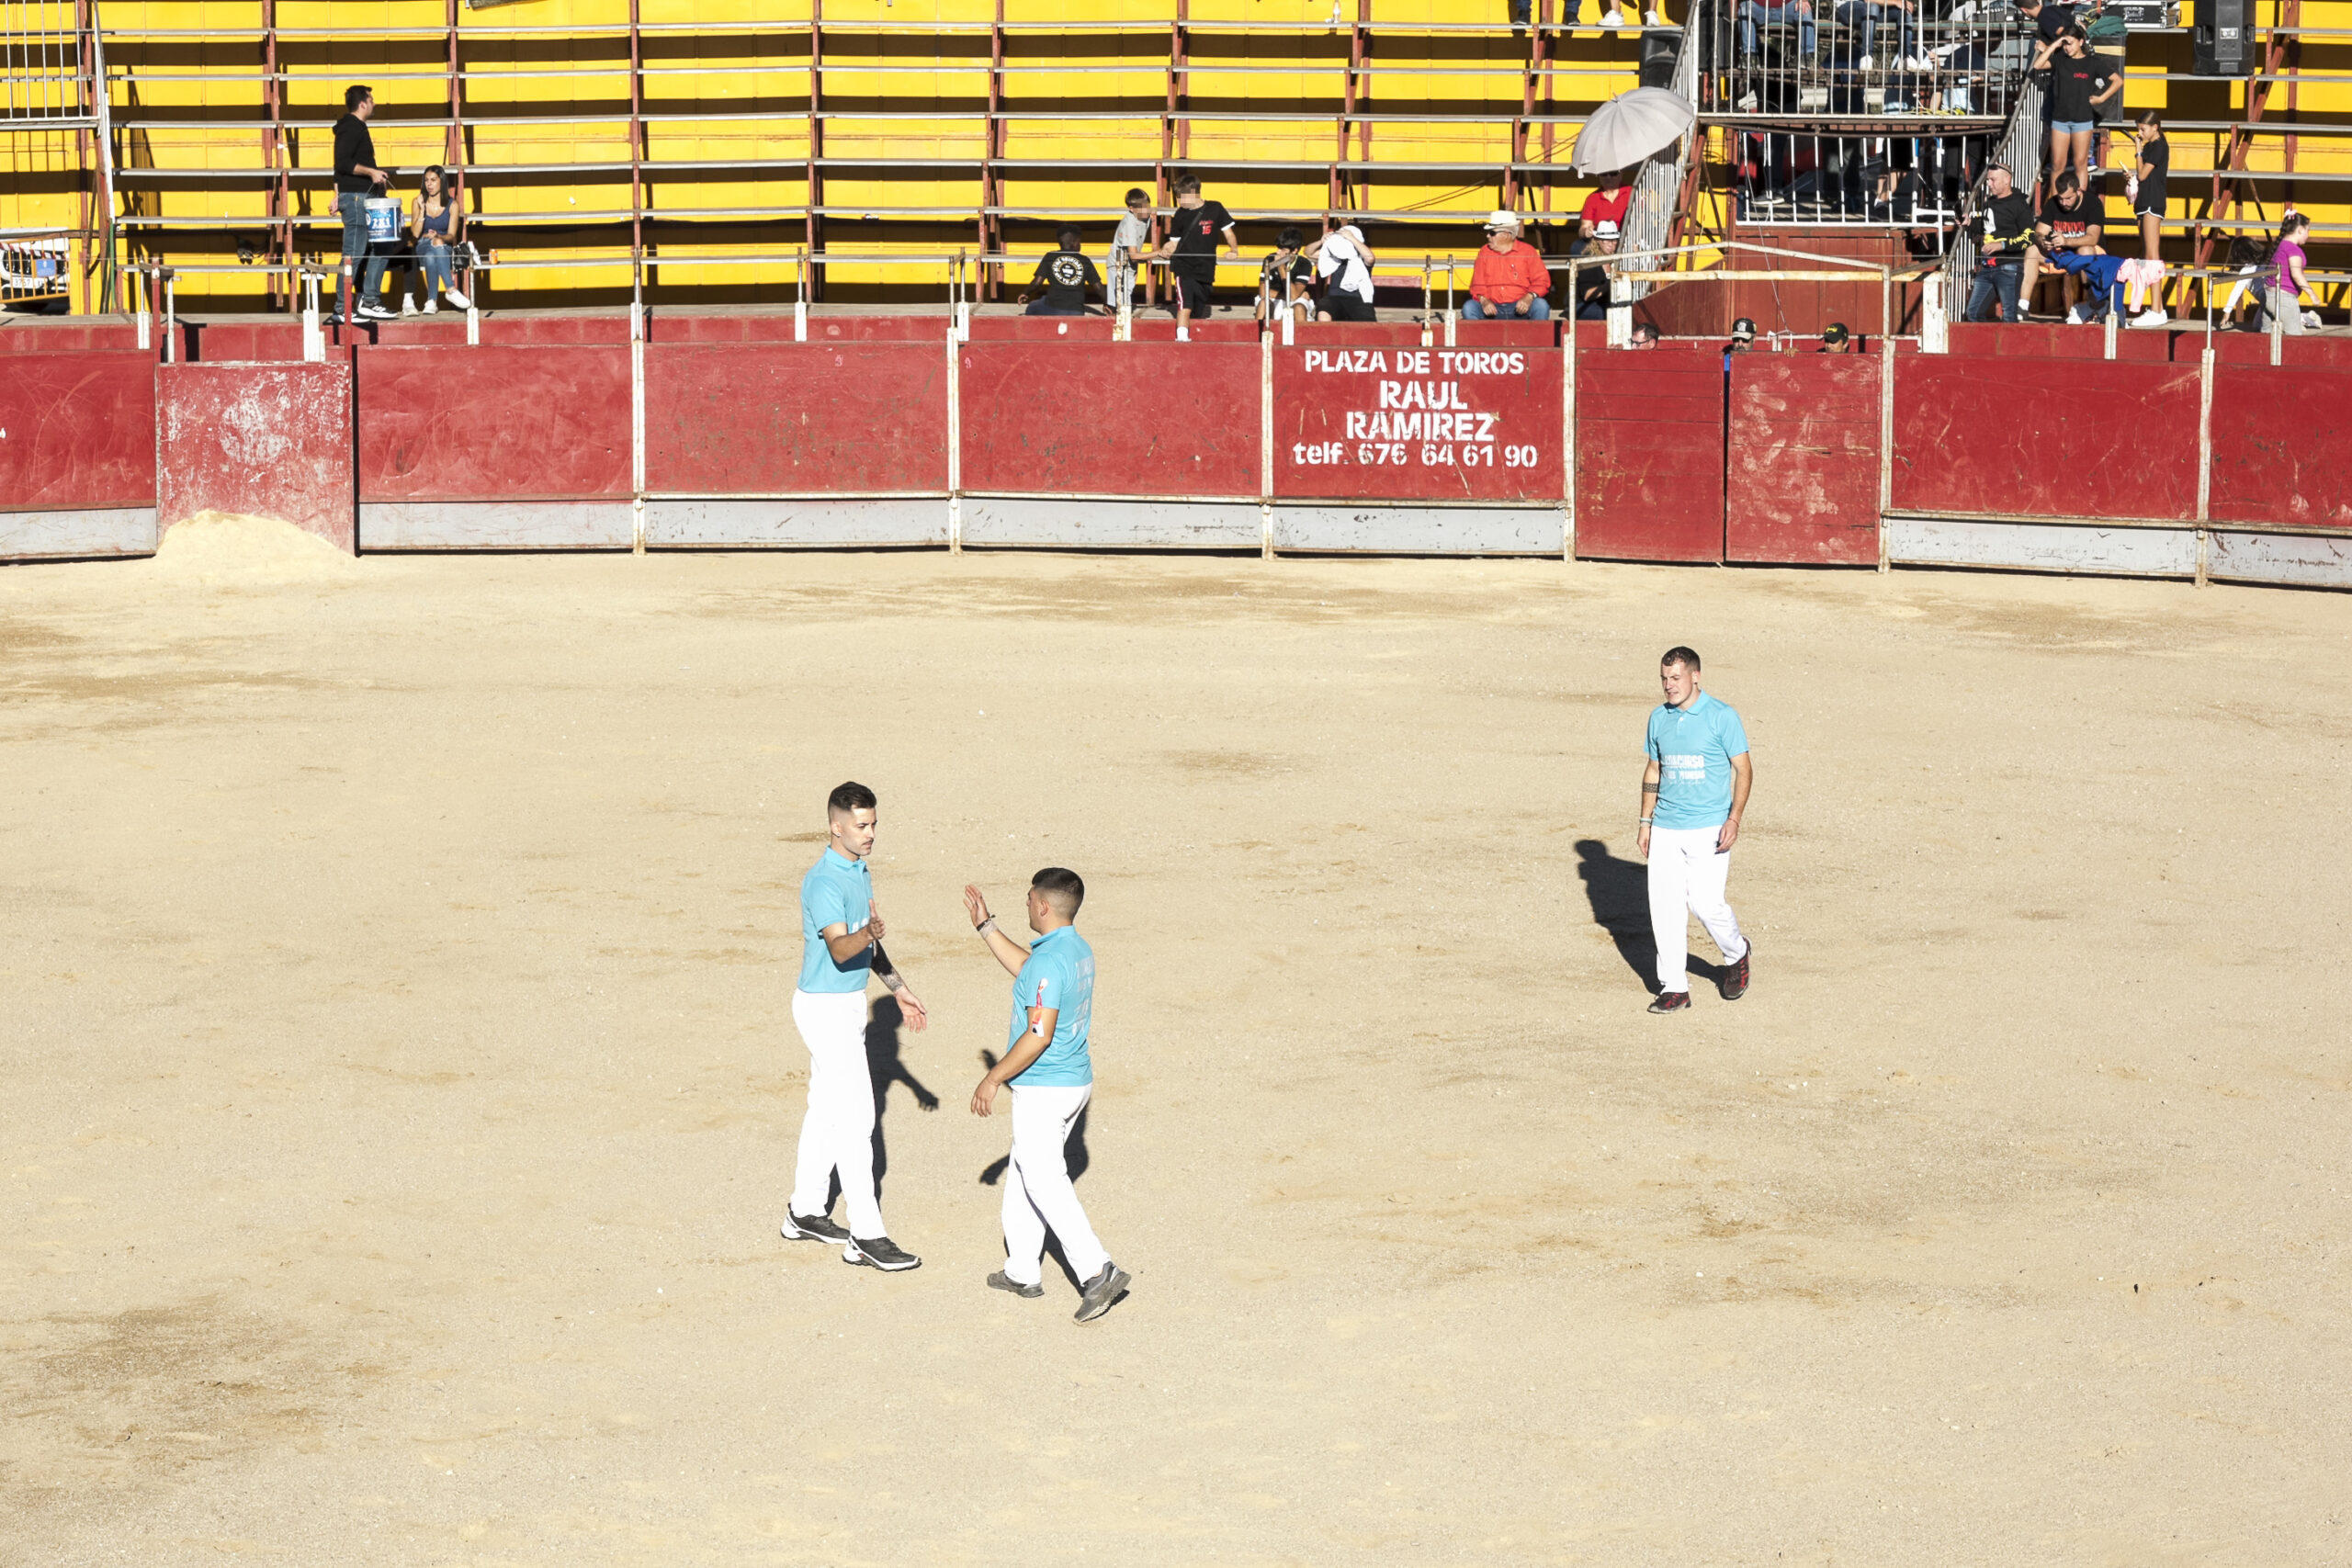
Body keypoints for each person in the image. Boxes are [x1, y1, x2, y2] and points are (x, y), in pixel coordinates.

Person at [965, 871, 1132, 1325]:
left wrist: (993, 1078)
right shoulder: (1075, 950)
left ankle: (1098, 1270)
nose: (1025, 903)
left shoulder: (1048, 963)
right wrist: (987, 928)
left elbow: (1038, 1034)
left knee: (1042, 1178)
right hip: (1074, 1080)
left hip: (1044, 1086)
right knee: (1025, 1168)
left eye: (1028, 898)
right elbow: (1029, 969)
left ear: (1041, 905)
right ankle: (1022, 1269)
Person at [779, 782, 929, 1272]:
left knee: (825, 1109)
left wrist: (898, 987)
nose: (870, 835)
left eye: (873, 825)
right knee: (858, 1118)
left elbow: (869, 947)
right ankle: (866, 1234)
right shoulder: (824, 881)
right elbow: (842, 947)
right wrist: (868, 933)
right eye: (861, 826)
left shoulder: (858, 870)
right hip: (824, 1008)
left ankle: (804, 1210)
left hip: (843, 1004)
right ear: (835, 826)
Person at [1638, 648, 1753, 1014]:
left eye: (1675, 678)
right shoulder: (1658, 718)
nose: (1668, 686)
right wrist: (1645, 823)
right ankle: (1675, 987)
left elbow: (1744, 770)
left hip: (1709, 827)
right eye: (1664, 678)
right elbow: (1654, 770)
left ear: (1695, 677)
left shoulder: (1722, 717)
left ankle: (1737, 953)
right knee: (1665, 908)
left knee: (1706, 904)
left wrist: (1734, 818)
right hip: (1666, 828)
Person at [332, 85, 394, 322]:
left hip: (363, 197)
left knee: (383, 245)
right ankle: (342, 308)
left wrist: (337, 193)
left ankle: (370, 300)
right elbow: (342, 163)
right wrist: (371, 173)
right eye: (372, 99)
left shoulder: (355, 127)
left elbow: (339, 167)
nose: (375, 103)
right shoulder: (351, 127)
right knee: (353, 254)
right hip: (357, 199)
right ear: (363, 103)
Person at [1151, 174, 1238, 342]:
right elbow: (1174, 242)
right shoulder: (1180, 214)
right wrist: (1165, 250)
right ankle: (1182, 339)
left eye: (1182, 197)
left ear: (1194, 193)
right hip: (1184, 266)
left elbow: (1229, 233)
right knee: (1185, 304)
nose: (1180, 202)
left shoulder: (1215, 208)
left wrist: (1233, 249)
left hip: (1205, 267)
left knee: (1198, 308)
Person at [2037, 28, 2120, 198]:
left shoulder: (2092, 63)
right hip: (2060, 120)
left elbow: (2118, 81)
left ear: (2081, 42)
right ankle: (2055, 202)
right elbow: (2038, 65)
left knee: (2080, 164)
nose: (2067, 48)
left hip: (2082, 120)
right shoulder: (2060, 60)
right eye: (2065, 43)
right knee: (2057, 165)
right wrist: (2054, 45)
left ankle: (2080, 202)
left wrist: (2101, 98)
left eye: (2070, 43)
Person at [2023, 169, 2106, 317]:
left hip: (2091, 253)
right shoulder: (2053, 203)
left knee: (2085, 251)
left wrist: (2066, 240)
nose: (2064, 203)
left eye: (2068, 198)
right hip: (2062, 254)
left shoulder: (2093, 203)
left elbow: (2093, 238)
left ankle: (2094, 307)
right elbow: (2039, 232)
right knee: (2032, 251)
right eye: (2061, 198)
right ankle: (2021, 307)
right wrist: (2043, 241)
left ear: (2078, 191)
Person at [1964, 164, 2035, 322]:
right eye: (1988, 180)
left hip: (2009, 267)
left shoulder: (2020, 205)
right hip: (1987, 266)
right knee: (1973, 313)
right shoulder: (1990, 202)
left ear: (2007, 180)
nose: (1989, 184)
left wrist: (2001, 245)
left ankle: (2010, 347)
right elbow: (1987, 226)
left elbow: (2029, 237)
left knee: (2009, 316)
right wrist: (1969, 223)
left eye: (1993, 180)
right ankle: (1985, 346)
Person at [404, 164, 470, 314]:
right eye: (426, 180)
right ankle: (450, 289)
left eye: (433, 180)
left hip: (442, 247)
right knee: (429, 250)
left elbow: (452, 235)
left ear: (442, 181)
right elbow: (415, 234)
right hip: (422, 244)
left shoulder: (452, 205)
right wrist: (421, 211)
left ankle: (431, 302)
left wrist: (439, 236)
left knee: (432, 253)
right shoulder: (417, 202)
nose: (429, 184)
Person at [1464, 210, 1552, 321]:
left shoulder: (1527, 251)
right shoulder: (1484, 252)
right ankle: (1480, 338)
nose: (1487, 236)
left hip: (1521, 306)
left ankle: (1536, 338)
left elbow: (1542, 280)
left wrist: (1529, 297)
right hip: (1492, 307)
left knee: (1541, 306)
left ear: (1506, 235)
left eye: (1492, 233)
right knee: (1469, 308)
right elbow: (1477, 284)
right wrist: (1484, 301)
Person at [2125, 110, 2169, 325]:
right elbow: (2141, 175)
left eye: (2143, 129)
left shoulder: (2159, 146)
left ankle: (2157, 309)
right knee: (2145, 255)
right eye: (2138, 129)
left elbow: (2143, 174)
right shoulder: (2151, 147)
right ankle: (2156, 308)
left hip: (2153, 201)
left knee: (2152, 255)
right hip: (2144, 201)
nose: (2139, 133)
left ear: (2155, 127)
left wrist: (2137, 150)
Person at [1020, 227, 1102, 317]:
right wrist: (1110, 304)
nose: (1080, 245)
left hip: (1053, 309)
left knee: (1032, 306)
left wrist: (1025, 293)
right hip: (1076, 311)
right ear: (1074, 243)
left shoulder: (1050, 257)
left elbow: (1037, 282)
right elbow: (1098, 287)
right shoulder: (1085, 260)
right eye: (1079, 242)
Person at [1306, 220, 1377, 321]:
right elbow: (1309, 253)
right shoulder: (1335, 256)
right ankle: (1327, 336)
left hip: (1358, 298)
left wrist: (1352, 238)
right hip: (1335, 297)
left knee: (1365, 320)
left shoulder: (1361, 257)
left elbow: (1370, 258)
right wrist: (1321, 242)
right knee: (1323, 310)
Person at [1835, 0, 1924, 71]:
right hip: (1848, 7)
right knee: (1872, 6)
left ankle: (1905, 57)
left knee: (1905, 11)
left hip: (1875, 9)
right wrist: (1896, 2)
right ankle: (1866, 56)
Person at [2264, 210, 2312, 336]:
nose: (2308, 235)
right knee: (2294, 337)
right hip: (2285, 300)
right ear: (2300, 230)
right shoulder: (2292, 249)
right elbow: (2296, 274)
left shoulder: (2280, 246)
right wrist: (2312, 295)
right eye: (2308, 231)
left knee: (2266, 339)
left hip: (2268, 297)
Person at [1257, 225, 1314, 326]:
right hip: (1278, 298)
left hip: (1294, 299)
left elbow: (1293, 296)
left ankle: (1303, 338)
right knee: (1263, 303)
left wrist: (1281, 268)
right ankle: (1256, 336)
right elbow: (1262, 292)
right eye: (1278, 248)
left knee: (1299, 307)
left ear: (1295, 251)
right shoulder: (1269, 259)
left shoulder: (1304, 264)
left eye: (1283, 250)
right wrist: (1289, 296)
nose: (1278, 252)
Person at [1109, 187, 1154, 313]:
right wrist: (1157, 253)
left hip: (1130, 263)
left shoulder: (1147, 216)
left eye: (1147, 206)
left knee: (1124, 299)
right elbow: (1133, 255)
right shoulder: (1129, 224)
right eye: (1141, 208)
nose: (1146, 210)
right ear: (1131, 208)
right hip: (1119, 264)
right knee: (1122, 303)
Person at [1738, 0, 1816, 59]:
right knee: (1744, 8)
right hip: (1759, 8)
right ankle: (1750, 55)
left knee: (1805, 10)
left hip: (1788, 6)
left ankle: (1806, 56)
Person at [1578, 171, 1632, 245]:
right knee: (1576, 247)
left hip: (1627, 239)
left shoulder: (1632, 193)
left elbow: (1642, 219)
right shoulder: (1592, 198)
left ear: (1621, 175)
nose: (1608, 177)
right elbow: (1584, 227)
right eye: (1604, 174)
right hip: (1600, 241)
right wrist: (1586, 232)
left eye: (1613, 173)